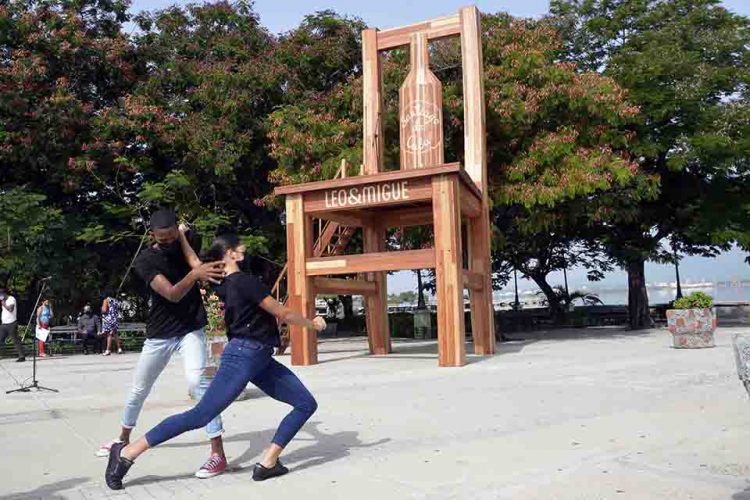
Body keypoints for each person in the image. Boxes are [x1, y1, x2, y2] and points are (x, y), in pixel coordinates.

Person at [104, 233, 326, 490]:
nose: (244, 247)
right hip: (244, 355)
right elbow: (283, 312)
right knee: (200, 415)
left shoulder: (220, 282)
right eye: (239, 245)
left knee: (305, 403)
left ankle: (268, 462)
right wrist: (313, 324)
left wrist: (181, 237)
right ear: (231, 253)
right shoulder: (247, 282)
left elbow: (196, 264)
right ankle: (127, 453)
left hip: (260, 357)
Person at [95, 209, 228, 481]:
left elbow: (193, 259)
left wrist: (183, 237)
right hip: (160, 334)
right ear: (151, 234)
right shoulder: (145, 260)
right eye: (162, 238)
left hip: (191, 328)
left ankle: (218, 453)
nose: (168, 242)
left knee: (197, 383)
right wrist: (196, 274)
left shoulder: (184, 241)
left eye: (172, 237)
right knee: (139, 388)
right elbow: (172, 293)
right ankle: (122, 439)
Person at [0, 288, 25, 362]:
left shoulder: (11, 299)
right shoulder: (4, 300)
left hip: (12, 323)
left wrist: (4, 304)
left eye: (1, 294)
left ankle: (22, 356)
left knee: (15, 340)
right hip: (4, 324)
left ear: (5, 294)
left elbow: (11, 309)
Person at [101, 291, 122, 356]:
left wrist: (101, 309)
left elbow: (104, 310)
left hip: (109, 319)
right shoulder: (115, 300)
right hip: (115, 319)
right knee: (115, 333)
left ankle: (108, 350)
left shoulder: (106, 300)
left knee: (109, 334)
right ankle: (119, 348)